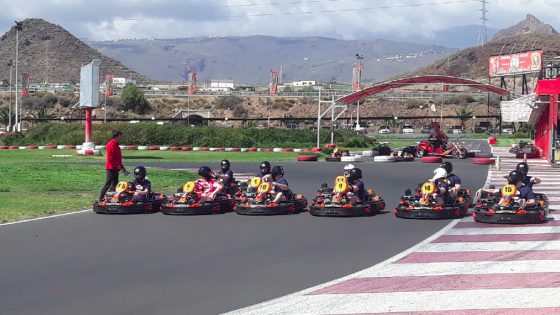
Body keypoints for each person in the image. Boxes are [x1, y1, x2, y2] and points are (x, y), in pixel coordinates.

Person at [99, 130, 127, 201]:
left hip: (116, 168)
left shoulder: (117, 145)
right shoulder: (111, 144)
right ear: (116, 137)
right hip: (111, 168)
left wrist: (122, 167)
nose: (121, 138)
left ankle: (112, 198)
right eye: (120, 137)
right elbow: (110, 159)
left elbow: (118, 158)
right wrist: (117, 165)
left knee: (115, 185)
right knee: (108, 184)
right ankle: (101, 198)